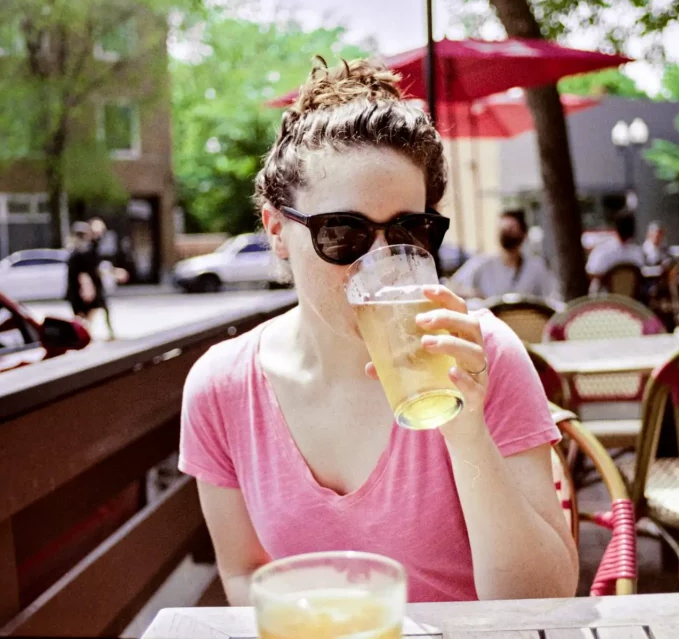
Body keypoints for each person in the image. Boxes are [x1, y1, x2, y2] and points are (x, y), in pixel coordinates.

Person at [178, 58, 578, 605]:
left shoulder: (479, 353)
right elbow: (246, 573)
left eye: (409, 230)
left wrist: (466, 432)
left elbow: (544, 603)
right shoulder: (223, 388)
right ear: (276, 231)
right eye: (344, 232)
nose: (383, 262)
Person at [449, 210, 559, 301]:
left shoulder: (536, 267)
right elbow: (452, 287)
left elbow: (552, 297)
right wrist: (474, 295)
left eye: (511, 229)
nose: (506, 233)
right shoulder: (481, 263)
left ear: (524, 234)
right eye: (502, 229)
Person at [585, 209, 645, 286]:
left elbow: (591, 273)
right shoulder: (637, 252)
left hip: (607, 297)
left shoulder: (602, 251)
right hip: (630, 297)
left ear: (615, 228)